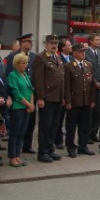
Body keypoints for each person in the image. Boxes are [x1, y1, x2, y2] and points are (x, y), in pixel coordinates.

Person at [32, 34, 64, 163]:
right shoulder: (41, 57)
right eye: (51, 43)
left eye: (56, 43)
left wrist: (63, 97)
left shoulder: (57, 56)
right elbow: (38, 80)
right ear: (46, 44)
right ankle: (43, 152)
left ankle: (50, 149)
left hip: (57, 97)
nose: (54, 45)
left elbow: (61, 77)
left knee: (54, 126)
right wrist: (40, 98)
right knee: (45, 125)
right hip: (47, 98)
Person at [5, 33, 37, 154]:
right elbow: (8, 76)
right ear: (22, 43)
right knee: (16, 128)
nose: (30, 44)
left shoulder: (33, 56)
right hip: (18, 99)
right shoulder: (13, 56)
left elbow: (33, 77)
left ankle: (26, 146)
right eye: (27, 42)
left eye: (31, 42)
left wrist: (32, 102)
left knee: (29, 124)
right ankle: (14, 153)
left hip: (29, 95)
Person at [64, 43, 96, 157]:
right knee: (71, 126)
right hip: (74, 101)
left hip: (86, 100)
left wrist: (92, 100)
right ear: (75, 53)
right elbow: (66, 85)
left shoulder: (88, 65)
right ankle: (70, 147)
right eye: (81, 51)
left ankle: (83, 146)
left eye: (84, 52)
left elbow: (91, 84)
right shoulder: (69, 66)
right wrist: (67, 101)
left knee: (85, 125)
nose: (83, 54)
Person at [6, 54, 35, 168]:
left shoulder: (25, 75)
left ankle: (18, 154)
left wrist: (31, 104)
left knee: (22, 132)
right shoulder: (13, 75)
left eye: (26, 63)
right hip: (18, 107)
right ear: (17, 64)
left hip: (26, 107)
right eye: (23, 63)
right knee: (15, 132)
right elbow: (15, 92)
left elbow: (30, 89)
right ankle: (12, 156)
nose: (25, 65)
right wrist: (28, 104)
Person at [85, 33, 100, 143]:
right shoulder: (86, 53)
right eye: (97, 40)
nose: (99, 41)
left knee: (98, 111)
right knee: (90, 112)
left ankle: (94, 133)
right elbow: (87, 70)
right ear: (91, 41)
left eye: (99, 39)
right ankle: (87, 134)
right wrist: (95, 81)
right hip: (90, 86)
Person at [54, 38, 73, 150]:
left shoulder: (71, 58)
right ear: (63, 48)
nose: (71, 46)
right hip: (61, 93)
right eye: (69, 45)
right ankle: (58, 140)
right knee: (59, 119)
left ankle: (69, 141)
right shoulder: (58, 58)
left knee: (70, 120)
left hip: (70, 93)